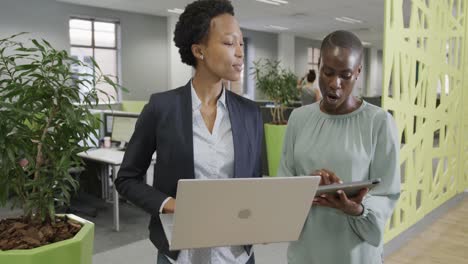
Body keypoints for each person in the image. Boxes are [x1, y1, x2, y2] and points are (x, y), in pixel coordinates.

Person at [114, 1, 263, 263]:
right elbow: (127, 179)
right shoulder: (162, 108)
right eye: (229, 43)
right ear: (199, 50)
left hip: (236, 255)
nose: (240, 52)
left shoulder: (250, 113)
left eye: (241, 43)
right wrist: (171, 205)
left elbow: (254, 183)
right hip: (181, 254)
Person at [278, 30, 400, 264]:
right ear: (320, 66)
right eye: (328, 72)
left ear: (358, 73)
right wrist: (306, 184)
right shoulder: (299, 119)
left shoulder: (379, 122)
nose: (335, 84)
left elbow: (387, 192)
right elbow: (283, 182)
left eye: (346, 75)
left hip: (354, 251)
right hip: (306, 250)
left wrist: (356, 209)